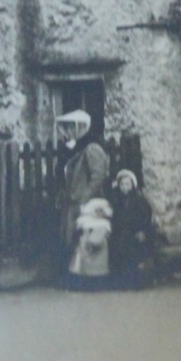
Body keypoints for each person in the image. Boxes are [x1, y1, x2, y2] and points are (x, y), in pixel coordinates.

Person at [55, 109, 109, 258]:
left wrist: (84, 198)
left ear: (82, 127)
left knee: (86, 241)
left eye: (72, 127)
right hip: (71, 203)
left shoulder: (92, 148)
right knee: (72, 241)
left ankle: (88, 278)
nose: (68, 131)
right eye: (67, 128)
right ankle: (73, 275)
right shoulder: (71, 150)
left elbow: (98, 176)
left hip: (87, 204)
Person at [109, 168, 157, 288]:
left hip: (134, 232)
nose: (125, 187)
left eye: (127, 184)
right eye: (122, 184)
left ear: (132, 185)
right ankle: (121, 281)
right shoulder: (116, 200)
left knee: (134, 256)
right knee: (120, 255)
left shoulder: (139, 200)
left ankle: (136, 282)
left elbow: (145, 217)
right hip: (121, 233)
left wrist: (142, 231)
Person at [66, 198, 113, 290]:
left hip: (99, 246)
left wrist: (95, 241)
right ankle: (84, 284)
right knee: (84, 265)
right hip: (84, 243)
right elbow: (79, 231)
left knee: (98, 266)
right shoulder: (84, 221)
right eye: (97, 211)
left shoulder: (104, 223)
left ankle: (96, 284)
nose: (99, 213)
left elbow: (104, 234)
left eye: (101, 211)